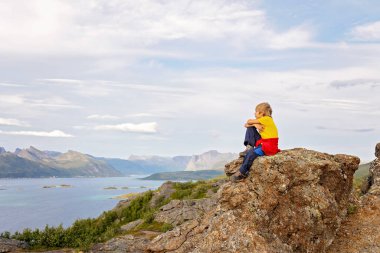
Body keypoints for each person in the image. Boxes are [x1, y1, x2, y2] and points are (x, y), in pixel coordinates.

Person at [232, 102, 280, 182]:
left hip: (269, 145)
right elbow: (246, 125)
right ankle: (249, 147)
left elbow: (249, 121)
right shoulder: (261, 120)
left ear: (261, 113)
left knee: (251, 154)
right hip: (263, 141)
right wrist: (255, 125)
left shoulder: (267, 119)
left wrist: (253, 124)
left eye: (256, 111)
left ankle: (242, 172)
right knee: (250, 129)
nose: (254, 113)